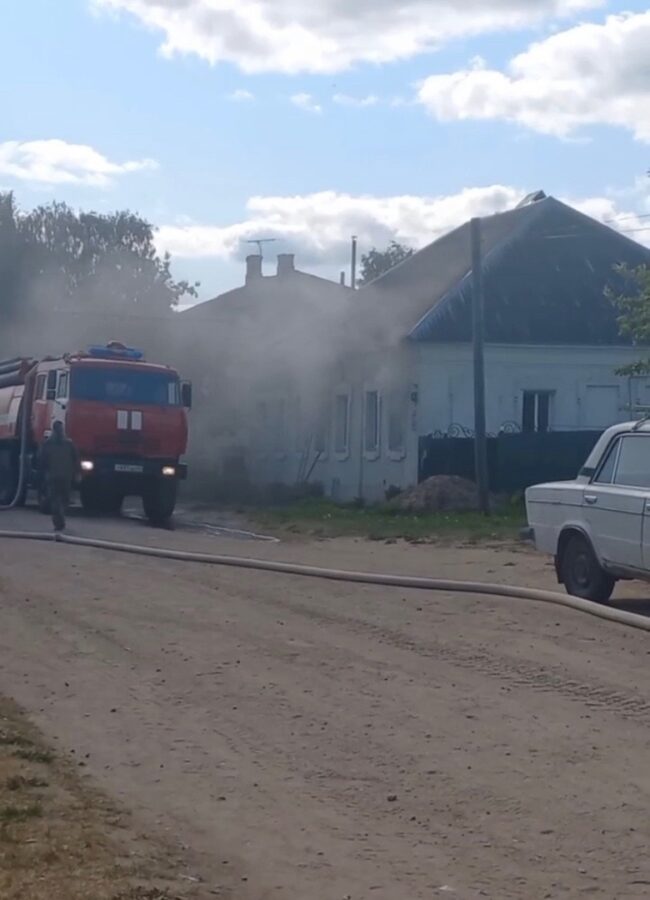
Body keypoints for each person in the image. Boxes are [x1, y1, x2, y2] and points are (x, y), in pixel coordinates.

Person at [40, 421, 79, 532]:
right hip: (64, 476)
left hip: (55, 476)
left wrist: (43, 475)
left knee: (57, 500)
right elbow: (76, 459)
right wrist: (77, 473)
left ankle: (59, 520)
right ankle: (59, 521)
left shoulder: (48, 444)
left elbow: (42, 461)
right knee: (62, 499)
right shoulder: (68, 444)